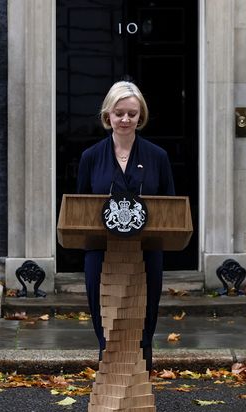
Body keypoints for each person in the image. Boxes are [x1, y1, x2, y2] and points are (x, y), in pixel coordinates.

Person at [76, 81, 175, 372]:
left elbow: (170, 207)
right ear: (108, 115)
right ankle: (109, 377)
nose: (125, 119)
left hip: (146, 252)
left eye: (132, 113)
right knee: (106, 319)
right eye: (119, 113)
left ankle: (139, 379)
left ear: (140, 116)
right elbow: (79, 208)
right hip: (101, 252)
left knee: (143, 319)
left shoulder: (158, 157)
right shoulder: (91, 157)